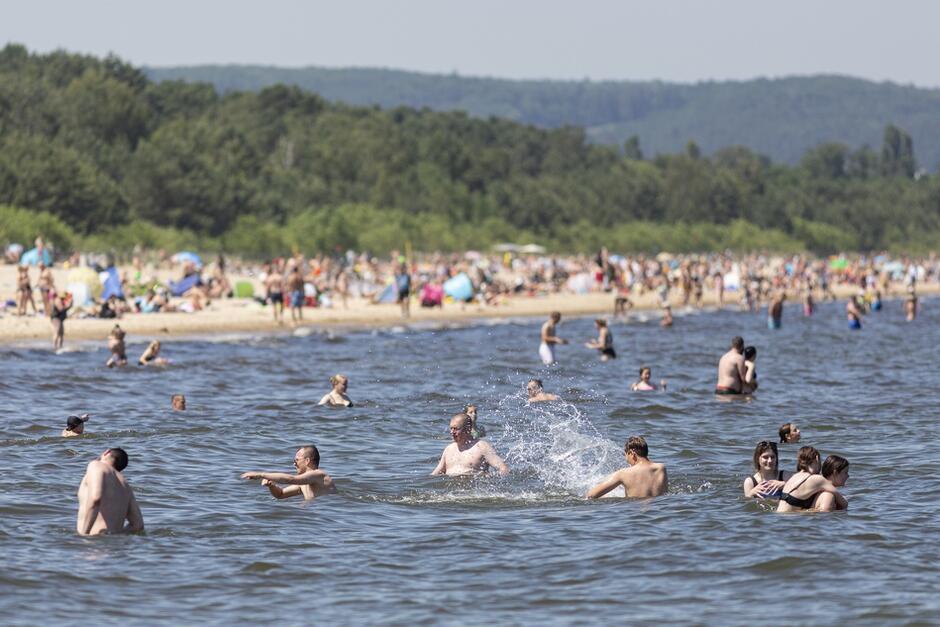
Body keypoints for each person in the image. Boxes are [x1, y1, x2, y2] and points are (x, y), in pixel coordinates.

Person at [76, 448, 144, 536]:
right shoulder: (124, 483)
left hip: (94, 542)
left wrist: (83, 534)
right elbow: (138, 525)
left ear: (106, 452)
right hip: (117, 544)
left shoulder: (97, 465)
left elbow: (95, 498)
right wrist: (116, 534)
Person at [241, 445, 337, 500]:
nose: (294, 464)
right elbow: (280, 494)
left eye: (296, 460)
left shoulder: (318, 475)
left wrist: (260, 474)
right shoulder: (303, 483)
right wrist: (271, 486)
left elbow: (291, 479)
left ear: (307, 461)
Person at [586, 436, 668, 498]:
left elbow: (591, 495)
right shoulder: (661, 468)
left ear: (632, 453)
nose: (627, 460)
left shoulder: (623, 474)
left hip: (634, 514)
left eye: (626, 455)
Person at [431, 413, 509, 476]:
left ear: (468, 429)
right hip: (451, 493)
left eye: (456, 429)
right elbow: (435, 475)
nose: (452, 432)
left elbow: (503, 468)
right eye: (451, 428)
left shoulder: (482, 447)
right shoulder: (449, 449)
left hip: (473, 493)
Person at [776, 446, 847, 513]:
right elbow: (843, 503)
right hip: (790, 519)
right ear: (817, 458)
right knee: (829, 495)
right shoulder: (818, 479)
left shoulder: (794, 476)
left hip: (779, 517)